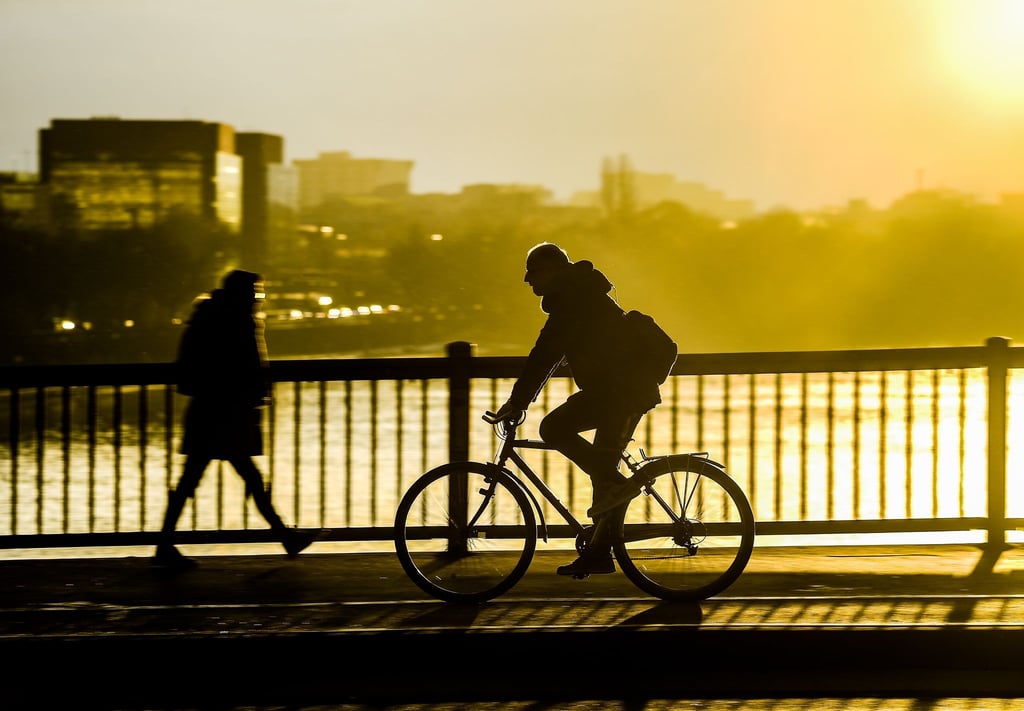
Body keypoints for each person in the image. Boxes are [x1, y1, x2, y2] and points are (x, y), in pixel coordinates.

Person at [492, 243, 666, 577]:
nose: (527, 279)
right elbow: (551, 354)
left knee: (554, 429)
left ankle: (616, 487)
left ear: (554, 270)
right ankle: (600, 551)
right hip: (614, 391)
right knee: (602, 474)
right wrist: (520, 400)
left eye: (533, 270)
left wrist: (517, 402)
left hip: (622, 392)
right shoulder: (578, 294)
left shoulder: (573, 301)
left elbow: (544, 354)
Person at [153, 269, 316, 569]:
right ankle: (284, 536)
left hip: (209, 411)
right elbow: (245, 365)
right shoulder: (237, 320)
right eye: (256, 292)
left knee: (194, 479)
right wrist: (255, 392)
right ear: (242, 294)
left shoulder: (209, 316)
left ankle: (165, 544)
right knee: (246, 478)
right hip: (226, 412)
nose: (258, 298)